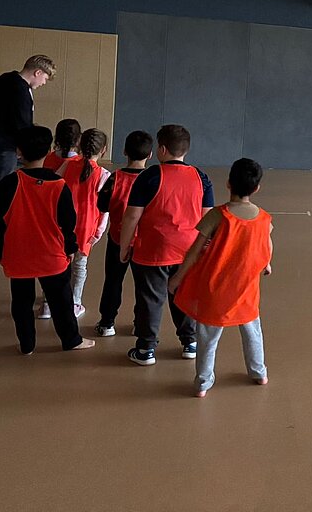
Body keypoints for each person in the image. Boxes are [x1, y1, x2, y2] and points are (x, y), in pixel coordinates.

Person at [0, 125, 95, 354]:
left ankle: (27, 345)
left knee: (21, 302)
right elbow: (68, 223)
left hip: (18, 255)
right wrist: (70, 247)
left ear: (19, 151)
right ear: (48, 151)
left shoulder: (10, 183)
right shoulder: (59, 185)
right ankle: (71, 340)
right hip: (53, 256)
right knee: (61, 301)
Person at [170, 158, 273, 398]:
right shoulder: (264, 219)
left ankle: (203, 383)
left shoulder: (218, 215)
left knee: (207, 337)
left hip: (215, 289)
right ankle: (259, 372)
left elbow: (194, 251)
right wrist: (267, 264)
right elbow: (266, 245)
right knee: (252, 331)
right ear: (257, 188)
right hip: (246, 289)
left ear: (228, 183)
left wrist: (177, 277)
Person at [118, 124, 213, 366]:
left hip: (154, 251)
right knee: (184, 295)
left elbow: (132, 216)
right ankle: (190, 342)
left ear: (161, 149)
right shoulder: (201, 178)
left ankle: (146, 348)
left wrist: (124, 246)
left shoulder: (149, 176)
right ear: (186, 150)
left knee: (150, 299)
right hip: (188, 251)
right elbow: (207, 218)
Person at [0, 54, 56, 265]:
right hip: (1, 149)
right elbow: (21, 124)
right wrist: (26, 146)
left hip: (0, 147)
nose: (44, 83)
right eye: (45, 78)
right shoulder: (18, 89)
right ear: (37, 72)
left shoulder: (11, 84)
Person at [93, 130, 153, 337]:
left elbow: (102, 205)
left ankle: (107, 323)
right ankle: (140, 324)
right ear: (150, 154)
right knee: (143, 286)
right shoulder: (152, 180)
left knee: (113, 281)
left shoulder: (115, 178)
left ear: (125, 151)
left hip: (117, 238)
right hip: (143, 241)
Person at [57, 128, 110, 317]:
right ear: (103, 150)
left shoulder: (68, 164)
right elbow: (104, 210)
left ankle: (50, 302)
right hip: (86, 228)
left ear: (79, 144)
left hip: (61, 224)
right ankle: (74, 303)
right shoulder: (104, 175)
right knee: (79, 266)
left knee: (59, 263)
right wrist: (98, 233)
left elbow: (54, 186)